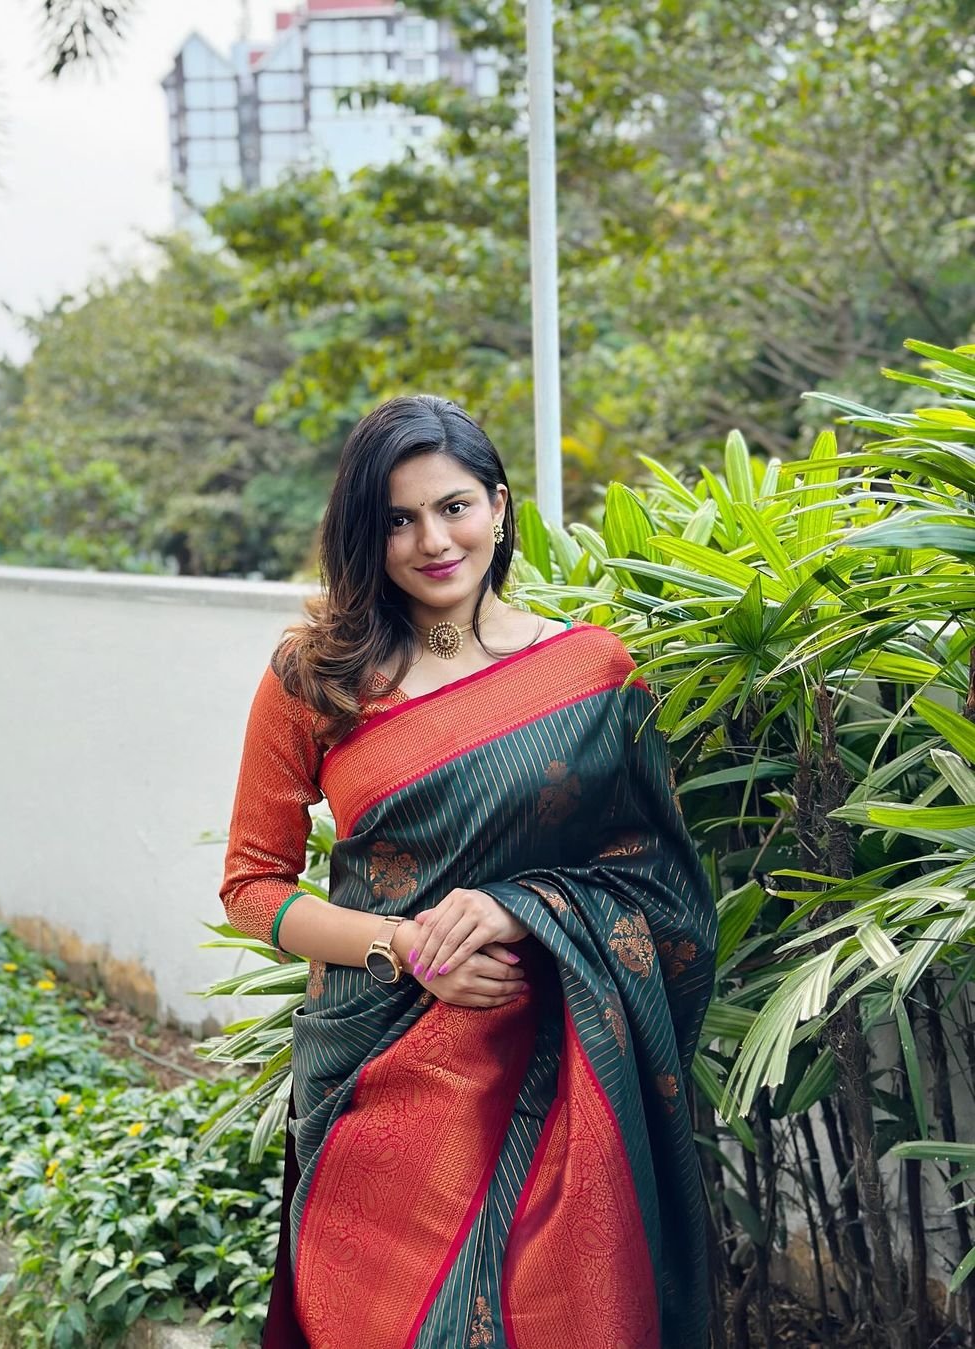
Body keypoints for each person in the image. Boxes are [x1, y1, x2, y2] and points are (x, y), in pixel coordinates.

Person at [220, 395, 716, 1349]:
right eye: (397, 520)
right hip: (381, 1070)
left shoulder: (592, 672)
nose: (433, 541)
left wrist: (523, 907)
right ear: (365, 534)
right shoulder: (315, 677)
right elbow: (252, 884)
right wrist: (403, 945)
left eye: (453, 507)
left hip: (563, 1066)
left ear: (497, 505)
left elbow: (659, 876)